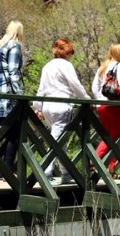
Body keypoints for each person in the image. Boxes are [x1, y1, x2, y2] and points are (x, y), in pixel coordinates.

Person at [34, 38, 90, 184]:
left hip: (47, 105)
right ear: (66, 52)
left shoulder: (47, 66)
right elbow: (75, 84)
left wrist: (37, 106)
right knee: (56, 141)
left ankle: (65, 173)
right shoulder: (66, 65)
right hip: (61, 105)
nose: (70, 55)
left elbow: (41, 89)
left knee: (60, 140)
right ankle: (46, 173)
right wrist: (86, 98)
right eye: (70, 53)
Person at [0, 20, 24, 172]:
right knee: (14, 133)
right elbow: (13, 71)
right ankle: (8, 169)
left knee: (0, 127)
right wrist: (20, 95)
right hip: (7, 93)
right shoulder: (14, 45)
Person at [90, 44, 120, 175]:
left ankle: (111, 168)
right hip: (115, 106)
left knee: (108, 135)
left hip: (101, 107)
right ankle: (95, 158)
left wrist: (99, 100)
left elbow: (94, 87)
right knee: (116, 137)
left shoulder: (102, 67)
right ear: (119, 54)